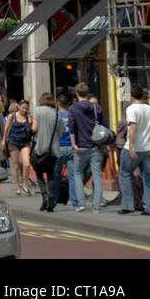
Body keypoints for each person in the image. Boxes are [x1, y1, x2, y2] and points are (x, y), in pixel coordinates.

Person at [67, 82, 110, 213]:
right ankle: (97, 206)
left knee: (78, 173)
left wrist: (74, 144)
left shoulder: (73, 109)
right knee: (97, 176)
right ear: (88, 93)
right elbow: (105, 127)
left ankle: (81, 203)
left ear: (77, 94)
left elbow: (71, 128)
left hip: (81, 146)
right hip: (96, 146)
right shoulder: (96, 108)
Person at [118, 85, 150, 216]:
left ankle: (128, 206)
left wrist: (131, 147)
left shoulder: (131, 109)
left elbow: (132, 128)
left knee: (125, 174)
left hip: (135, 147)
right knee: (149, 178)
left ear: (131, 96)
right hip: (149, 147)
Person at [29, 93, 62, 212]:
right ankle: (51, 199)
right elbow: (60, 134)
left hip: (39, 148)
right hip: (53, 150)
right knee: (51, 174)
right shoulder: (56, 114)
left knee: (39, 173)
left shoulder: (37, 111)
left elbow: (34, 128)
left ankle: (44, 197)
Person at [54, 96, 79, 210]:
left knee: (55, 175)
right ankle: (75, 202)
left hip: (58, 147)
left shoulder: (55, 116)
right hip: (71, 147)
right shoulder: (72, 115)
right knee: (73, 176)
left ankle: (54, 201)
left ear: (58, 103)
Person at [5, 100, 33, 195]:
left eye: (26, 108)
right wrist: (3, 141)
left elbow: (31, 130)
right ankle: (18, 187)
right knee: (16, 166)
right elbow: (6, 130)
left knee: (27, 164)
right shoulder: (12, 116)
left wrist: (29, 118)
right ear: (19, 107)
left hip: (25, 142)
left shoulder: (28, 116)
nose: (25, 110)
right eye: (23, 108)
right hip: (13, 141)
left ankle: (25, 185)